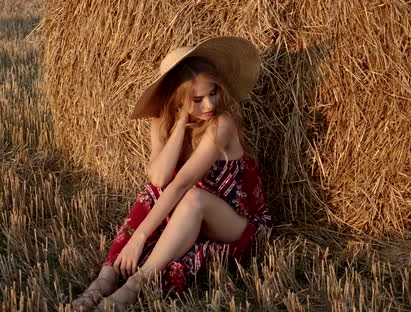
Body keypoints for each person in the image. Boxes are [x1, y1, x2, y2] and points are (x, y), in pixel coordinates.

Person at [72, 36, 271, 312]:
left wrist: (140, 237)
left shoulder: (221, 125)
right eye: (197, 99)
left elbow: (181, 184)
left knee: (192, 198)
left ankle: (136, 285)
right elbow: (159, 178)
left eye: (213, 93)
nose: (209, 105)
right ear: (177, 100)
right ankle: (106, 277)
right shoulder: (161, 121)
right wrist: (179, 123)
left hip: (236, 221)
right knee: (153, 193)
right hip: (187, 214)